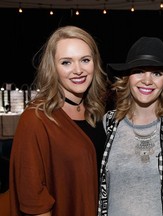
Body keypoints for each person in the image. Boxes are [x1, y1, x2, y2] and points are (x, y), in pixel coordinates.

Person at [9, 25, 107, 216]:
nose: (78, 70)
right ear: (52, 67)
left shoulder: (96, 112)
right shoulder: (36, 119)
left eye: (85, 60)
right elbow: (33, 199)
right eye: (66, 62)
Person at [98, 37, 163, 216]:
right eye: (139, 71)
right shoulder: (108, 124)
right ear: (127, 77)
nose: (147, 80)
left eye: (157, 73)